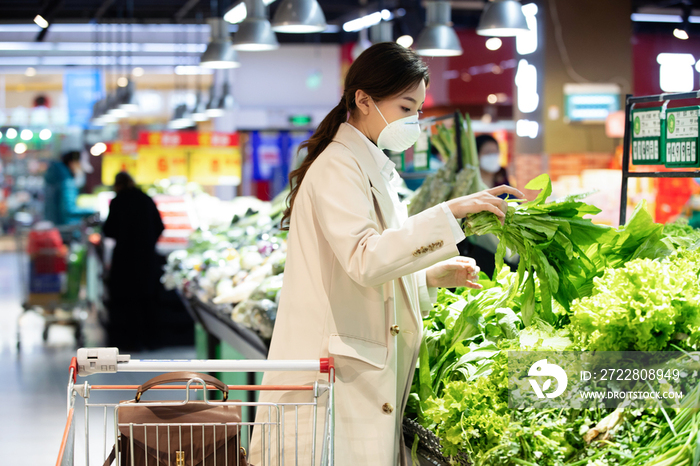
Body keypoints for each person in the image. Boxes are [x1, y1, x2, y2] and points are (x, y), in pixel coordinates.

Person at [249, 43, 523, 466]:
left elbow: (366, 260)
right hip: (333, 380)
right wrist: (449, 212)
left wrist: (426, 277)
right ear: (363, 100)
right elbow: (364, 258)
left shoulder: (364, 165)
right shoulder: (339, 167)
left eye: (418, 110)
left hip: (350, 371)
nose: (412, 121)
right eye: (405, 107)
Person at [102, 172, 164, 351]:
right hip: (147, 259)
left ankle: (130, 342)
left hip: (124, 260)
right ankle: (152, 341)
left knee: (127, 302)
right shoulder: (146, 199)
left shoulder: (118, 201)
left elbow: (109, 230)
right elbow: (160, 226)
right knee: (148, 300)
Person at [43, 151, 94, 226]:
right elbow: (69, 209)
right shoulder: (67, 182)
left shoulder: (57, 177)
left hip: (56, 226)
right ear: (72, 163)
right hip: (67, 228)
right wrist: (93, 210)